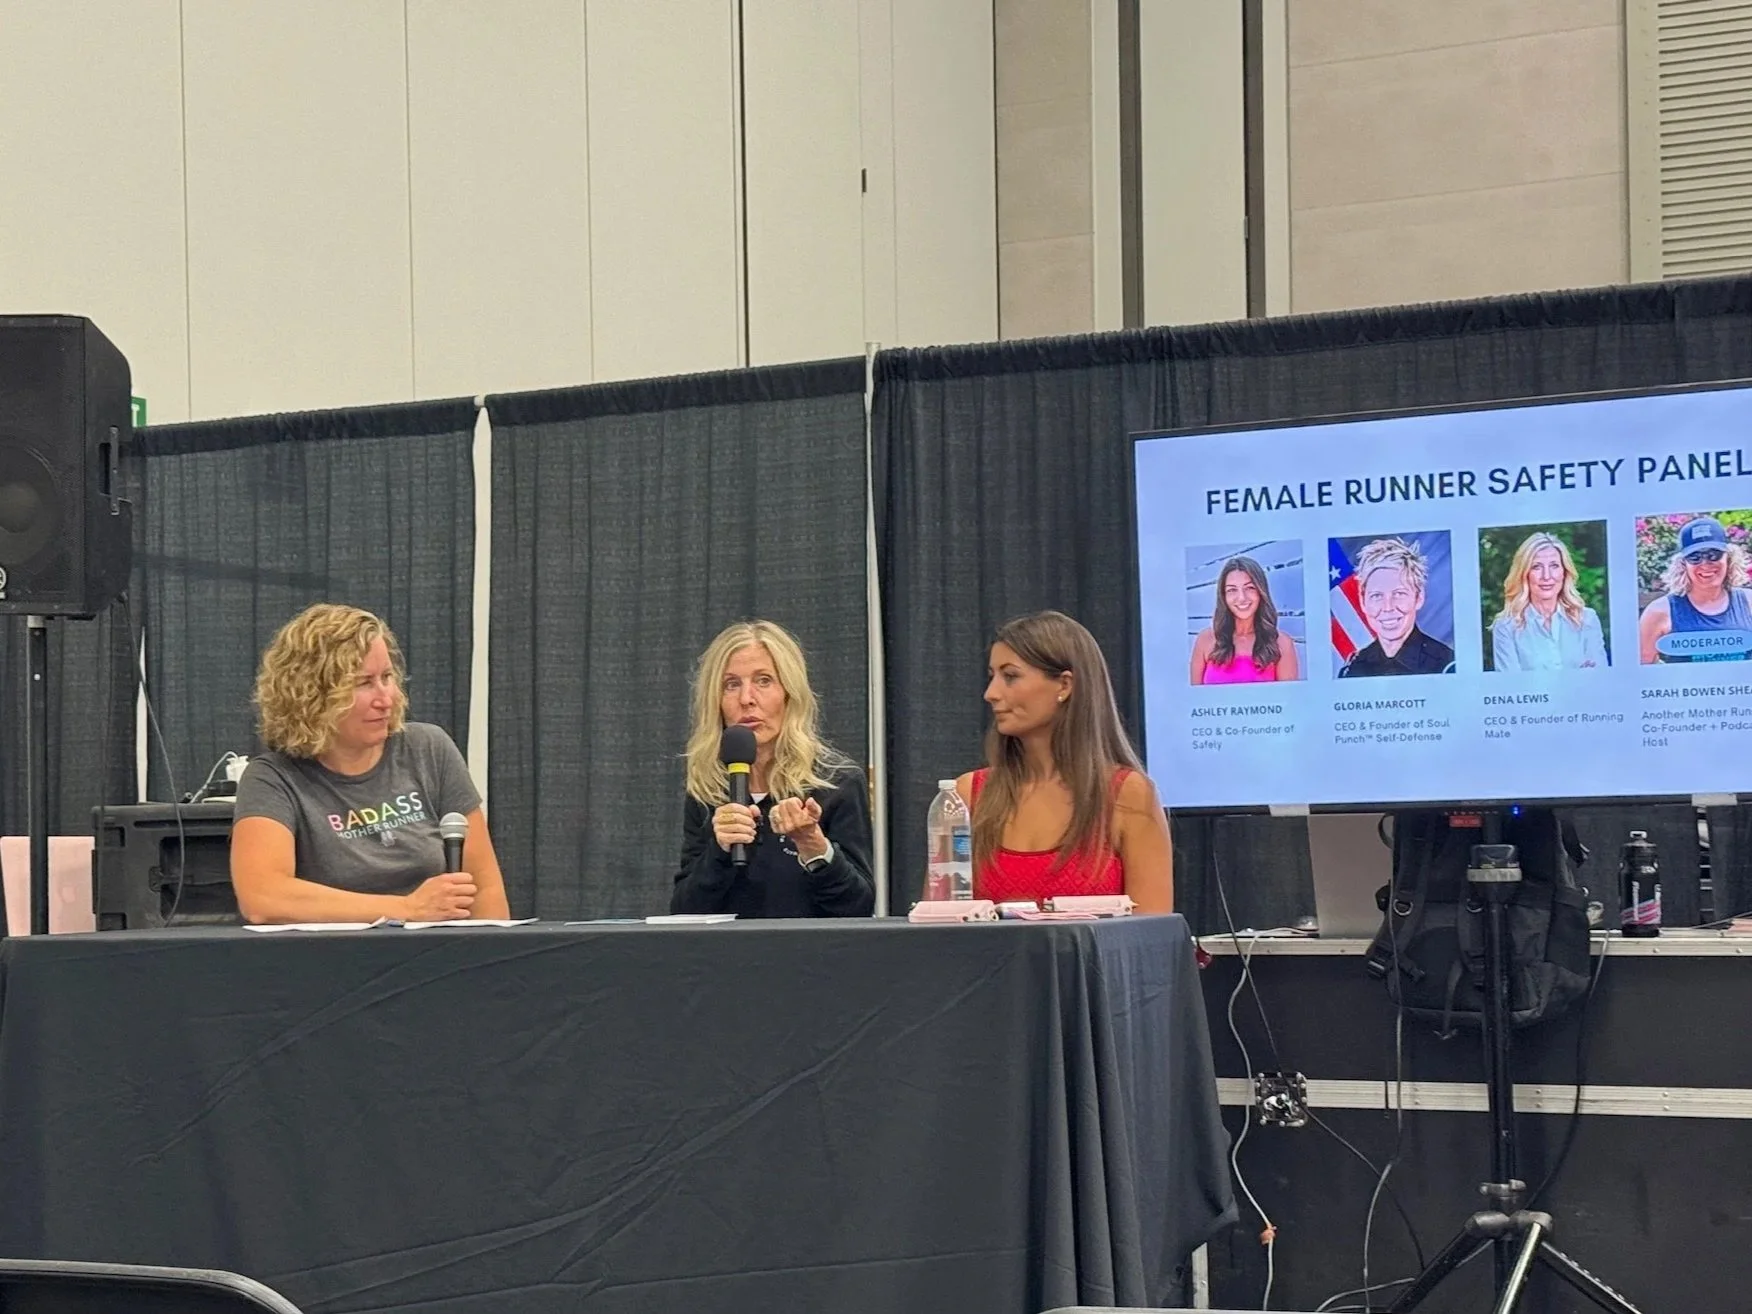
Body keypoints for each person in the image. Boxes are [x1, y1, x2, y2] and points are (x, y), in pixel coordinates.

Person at [231, 604, 510, 923]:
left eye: (387, 677)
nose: (385, 699)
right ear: (312, 695)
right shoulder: (273, 779)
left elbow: (484, 887)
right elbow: (263, 897)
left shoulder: (429, 749)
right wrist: (407, 909)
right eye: (363, 683)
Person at [954, 611, 1173, 912]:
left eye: (1011, 676)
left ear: (1065, 685)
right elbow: (938, 924)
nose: (991, 694)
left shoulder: (1128, 795)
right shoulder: (967, 795)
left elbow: (1151, 931)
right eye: (992, 677)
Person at [672, 620, 875, 917]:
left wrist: (813, 846)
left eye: (764, 681)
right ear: (716, 702)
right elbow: (684, 911)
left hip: (806, 946)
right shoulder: (709, 788)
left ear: (789, 694)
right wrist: (719, 851)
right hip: (727, 947)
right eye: (731, 685)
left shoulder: (835, 783)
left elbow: (858, 908)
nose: (746, 699)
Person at [1638, 515, 1752, 663]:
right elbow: (1640, 670)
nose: (1705, 564)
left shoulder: (1749, 602)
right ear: (1682, 564)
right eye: (1695, 557)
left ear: (1729, 558)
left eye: (1713, 555)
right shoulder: (1659, 611)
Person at [1490, 531, 1608, 671]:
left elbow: (1599, 678)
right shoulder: (1506, 627)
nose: (1546, 576)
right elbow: (1511, 683)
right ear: (1524, 574)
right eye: (1536, 567)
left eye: (1554, 566)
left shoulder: (1587, 619)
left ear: (1564, 572)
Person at [1339, 536, 1456, 677]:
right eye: (1377, 595)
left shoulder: (1447, 666)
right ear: (1363, 601)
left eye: (1399, 594)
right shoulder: (1352, 669)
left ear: (1419, 597)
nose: (1388, 607)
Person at [1189, 555, 1300, 684]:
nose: (1242, 598)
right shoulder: (1205, 640)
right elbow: (1194, 695)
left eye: (1250, 588)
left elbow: (1289, 697)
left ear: (1261, 592)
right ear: (1223, 596)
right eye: (1232, 590)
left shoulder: (1282, 644)